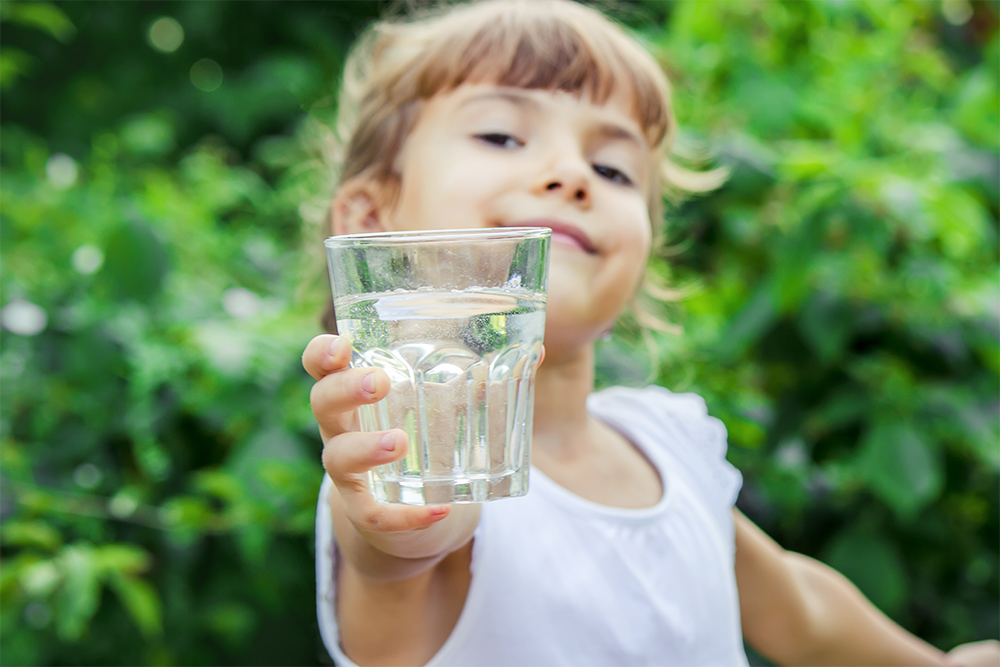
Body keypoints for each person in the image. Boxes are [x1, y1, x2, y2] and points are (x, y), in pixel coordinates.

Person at [301, 1, 1000, 665]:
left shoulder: (666, 442)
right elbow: (410, 547)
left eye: (613, 169)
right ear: (369, 220)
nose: (572, 175)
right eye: (502, 135)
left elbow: (799, 610)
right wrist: (402, 510)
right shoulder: (402, 470)